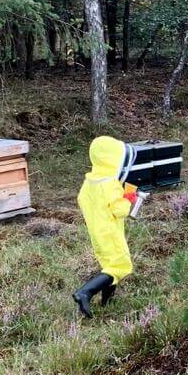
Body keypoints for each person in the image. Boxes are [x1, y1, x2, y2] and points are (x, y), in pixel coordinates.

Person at [73, 136, 138, 318]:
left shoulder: (90, 181)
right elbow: (120, 211)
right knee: (122, 265)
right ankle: (85, 292)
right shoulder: (111, 184)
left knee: (109, 265)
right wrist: (128, 198)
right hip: (110, 232)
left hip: (96, 232)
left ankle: (106, 301)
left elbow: (82, 200)